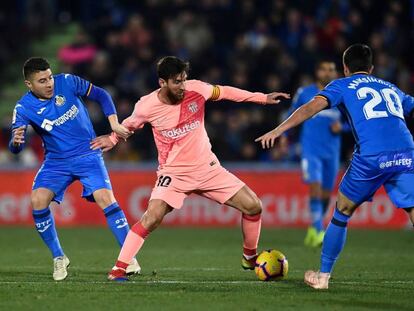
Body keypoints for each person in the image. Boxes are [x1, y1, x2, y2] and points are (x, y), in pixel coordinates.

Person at [90, 56, 290, 281]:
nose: (182, 86)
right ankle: (119, 268)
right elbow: (129, 125)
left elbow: (224, 91)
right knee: (151, 217)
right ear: (162, 83)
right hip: (173, 174)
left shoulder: (197, 89)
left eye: (184, 80)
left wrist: (262, 98)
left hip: (207, 168)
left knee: (254, 206)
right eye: (176, 81)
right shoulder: (147, 105)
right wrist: (113, 139)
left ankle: (249, 257)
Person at [255, 44, 414, 289]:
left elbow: (310, 108)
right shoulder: (392, 87)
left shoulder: (341, 85)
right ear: (371, 68)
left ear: (345, 68)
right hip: (406, 152)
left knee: (342, 210)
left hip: (371, 156)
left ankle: (323, 276)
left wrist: (278, 130)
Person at [9, 57, 140, 281]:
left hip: (87, 153)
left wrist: (114, 124)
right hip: (56, 162)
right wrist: (17, 142)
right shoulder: (23, 107)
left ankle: (128, 258)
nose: (49, 83)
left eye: (50, 77)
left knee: (105, 198)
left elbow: (101, 94)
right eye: (42, 81)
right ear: (29, 85)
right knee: (38, 200)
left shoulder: (67, 82)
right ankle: (59, 257)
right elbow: (15, 148)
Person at [282, 60, 343, 247]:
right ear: (317, 72)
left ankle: (314, 227)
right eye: (324, 69)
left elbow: (354, 121)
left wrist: (343, 127)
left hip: (332, 152)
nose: (328, 72)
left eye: (331, 69)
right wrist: (284, 135)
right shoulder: (305, 93)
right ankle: (318, 231)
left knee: (326, 195)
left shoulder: (341, 94)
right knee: (314, 187)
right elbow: (291, 114)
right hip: (311, 150)